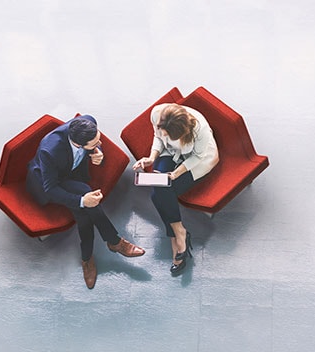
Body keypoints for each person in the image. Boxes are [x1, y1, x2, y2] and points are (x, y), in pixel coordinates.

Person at [26, 114, 146, 289]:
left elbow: (96, 145)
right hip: (53, 181)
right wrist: (83, 201)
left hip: (74, 173)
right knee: (85, 201)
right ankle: (112, 243)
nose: (99, 143)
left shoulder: (88, 122)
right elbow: (50, 189)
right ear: (78, 144)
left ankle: (88, 257)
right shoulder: (50, 151)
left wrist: (97, 152)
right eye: (94, 144)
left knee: (84, 212)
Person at [132, 103, 219, 275]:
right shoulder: (157, 113)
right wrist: (151, 158)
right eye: (162, 129)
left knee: (160, 193)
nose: (163, 133)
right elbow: (158, 137)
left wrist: (176, 173)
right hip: (170, 152)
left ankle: (175, 234)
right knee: (160, 190)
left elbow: (197, 157)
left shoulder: (199, 129)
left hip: (196, 160)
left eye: (167, 133)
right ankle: (179, 232)